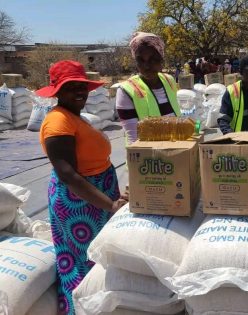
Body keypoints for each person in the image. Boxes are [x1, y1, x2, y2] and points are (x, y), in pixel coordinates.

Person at [36, 60, 128, 314]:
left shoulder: (74, 117)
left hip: (94, 197)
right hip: (78, 204)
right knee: (82, 264)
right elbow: (68, 174)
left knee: (96, 261)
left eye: (82, 86)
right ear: (57, 91)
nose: (79, 91)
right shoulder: (58, 122)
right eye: (71, 87)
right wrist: (109, 204)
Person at [116, 32, 181, 145]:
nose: (146, 66)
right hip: (148, 157)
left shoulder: (169, 80)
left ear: (161, 60)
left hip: (175, 147)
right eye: (141, 60)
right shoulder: (126, 90)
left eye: (153, 59)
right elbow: (133, 138)